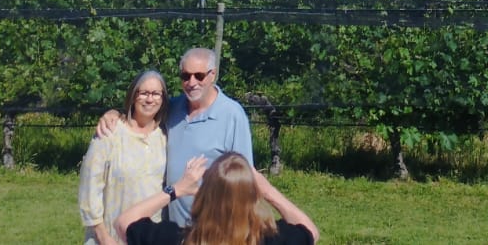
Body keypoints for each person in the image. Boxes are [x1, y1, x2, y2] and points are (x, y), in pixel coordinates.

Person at [98, 47, 254, 227]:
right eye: (185, 76)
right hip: (172, 226)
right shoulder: (172, 108)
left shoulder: (232, 115)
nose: (192, 82)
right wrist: (114, 114)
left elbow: (245, 178)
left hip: (213, 228)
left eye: (199, 76)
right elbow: (142, 112)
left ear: (213, 74)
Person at [114, 152, 319, 245]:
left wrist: (177, 189)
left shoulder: (175, 238)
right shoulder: (273, 239)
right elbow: (311, 232)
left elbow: (124, 222)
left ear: (205, 196)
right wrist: (268, 191)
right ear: (252, 197)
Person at [79, 70, 170, 245]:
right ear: (133, 96)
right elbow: (89, 187)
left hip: (151, 236)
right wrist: (102, 236)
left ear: (163, 98)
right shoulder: (110, 132)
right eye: (143, 93)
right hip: (111, 236)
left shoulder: (164, 136)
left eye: (156, 94)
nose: (149, 99)